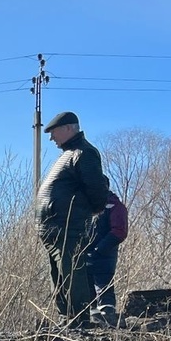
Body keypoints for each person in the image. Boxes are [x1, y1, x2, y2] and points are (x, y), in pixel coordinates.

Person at [36, 111, 110, 327]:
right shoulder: (68, 155)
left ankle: (79, 319)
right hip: (54, 228)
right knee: (59, 274)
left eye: (53, 132)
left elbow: (96, 188)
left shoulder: (84, 153)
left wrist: (94, 209)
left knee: (72, 270)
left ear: (69, 128)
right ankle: (67, 317)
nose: (51, 138)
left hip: (68, 226)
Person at [85, 180, 124, 327]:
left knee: (104, 288)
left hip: (104, 256)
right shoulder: (89, 205)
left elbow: (119, 231)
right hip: (87, 255)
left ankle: (109, 321)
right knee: (88, 292)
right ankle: (93, 323)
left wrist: (99, 249)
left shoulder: (114, 205)